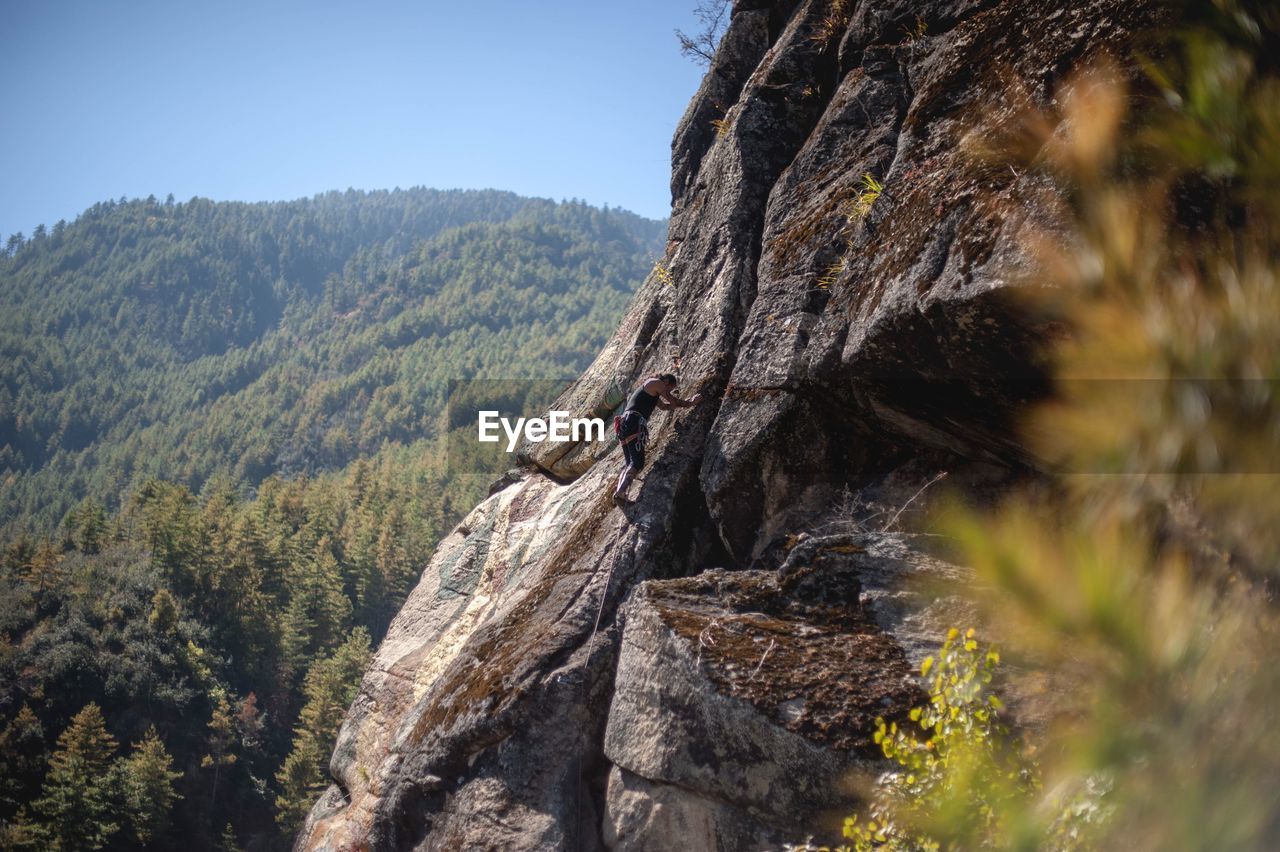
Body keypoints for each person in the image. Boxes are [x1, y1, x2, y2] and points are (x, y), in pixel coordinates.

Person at [613, 372, 703, 506]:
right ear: (666, 382)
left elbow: (664, 406)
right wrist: (690, 402)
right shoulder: (655, 382)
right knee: (637, 462)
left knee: (630, 463)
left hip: (625, 424)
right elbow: (671, 399)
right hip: (633, 421)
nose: (668, 391)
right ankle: (620, 492)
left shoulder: (651, 391)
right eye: (670, 388)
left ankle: (619, 493)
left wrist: (672, 405)